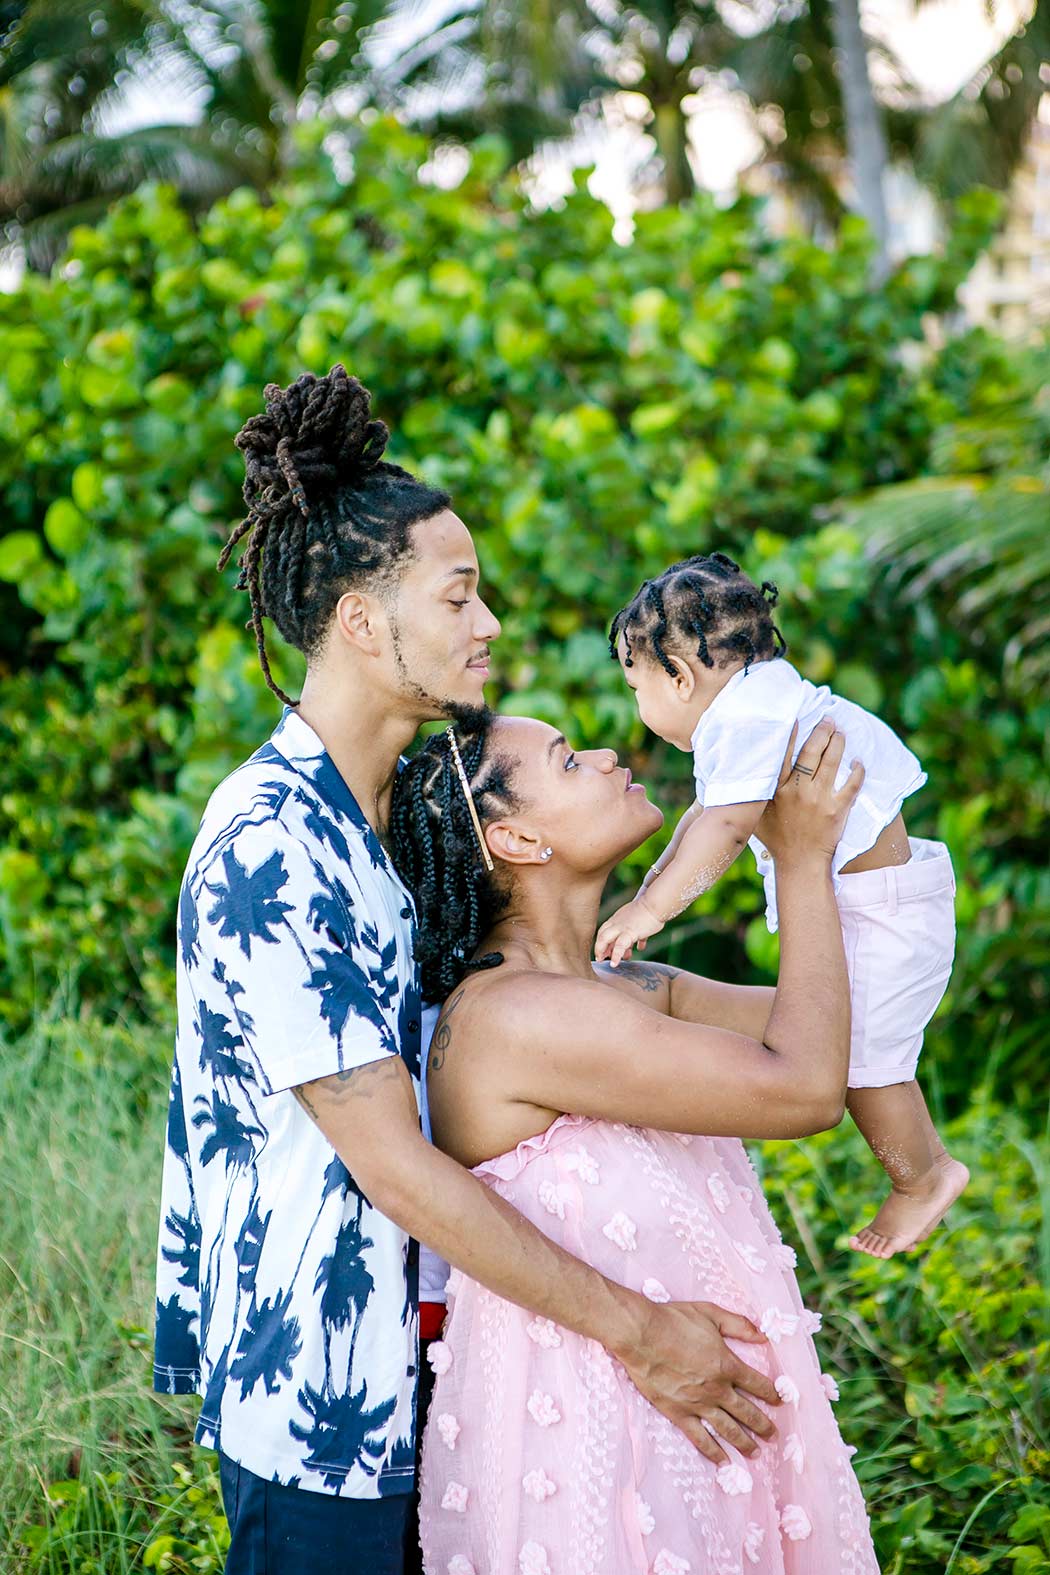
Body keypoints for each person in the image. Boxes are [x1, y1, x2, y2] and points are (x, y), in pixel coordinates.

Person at [152, 369, 787, 1575]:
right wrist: (641, 1334)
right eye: (459, 595)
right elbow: (390, 1163)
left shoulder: (381, 821)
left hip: (442, 1378)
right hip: (325, 1410)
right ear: (357, 618)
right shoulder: (271, 841)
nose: (487, 623)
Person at [390, 708, 879, 1573]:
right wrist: (800, 860)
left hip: (697, 1419)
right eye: (569, 761)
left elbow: (851, 1035)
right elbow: (804, 1088)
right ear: (517, 839)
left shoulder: (626, 985)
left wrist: (851, 852)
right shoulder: (514, 1016)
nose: (611, 755)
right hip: (599, 1444)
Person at [595, 553, 968, 1259]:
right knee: (852, 1044)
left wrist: (653, 914)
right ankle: (921, 1172)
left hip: (883, 913)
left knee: (860, 1062)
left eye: (636, 684)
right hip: (883, 901)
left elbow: (727, 830)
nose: (639, 710)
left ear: (679, 676)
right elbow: (707, 816)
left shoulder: (743, 721)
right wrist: (649, 892)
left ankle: (923, 1175)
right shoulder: (758, 706)